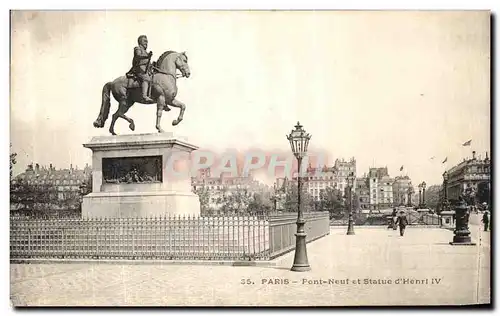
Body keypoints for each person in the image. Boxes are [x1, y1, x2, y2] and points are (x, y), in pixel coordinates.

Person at [127, 35, 154, 102]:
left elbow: (147, 62)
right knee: (146, 78)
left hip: (146, 69)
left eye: (147, 41)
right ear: (140, 42)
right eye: (144, 41)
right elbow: (138, 56)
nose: (146, 43)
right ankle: (144, 96)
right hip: (138, 68)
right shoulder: (137, 48)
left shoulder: (146, 52)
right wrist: (147, 56)